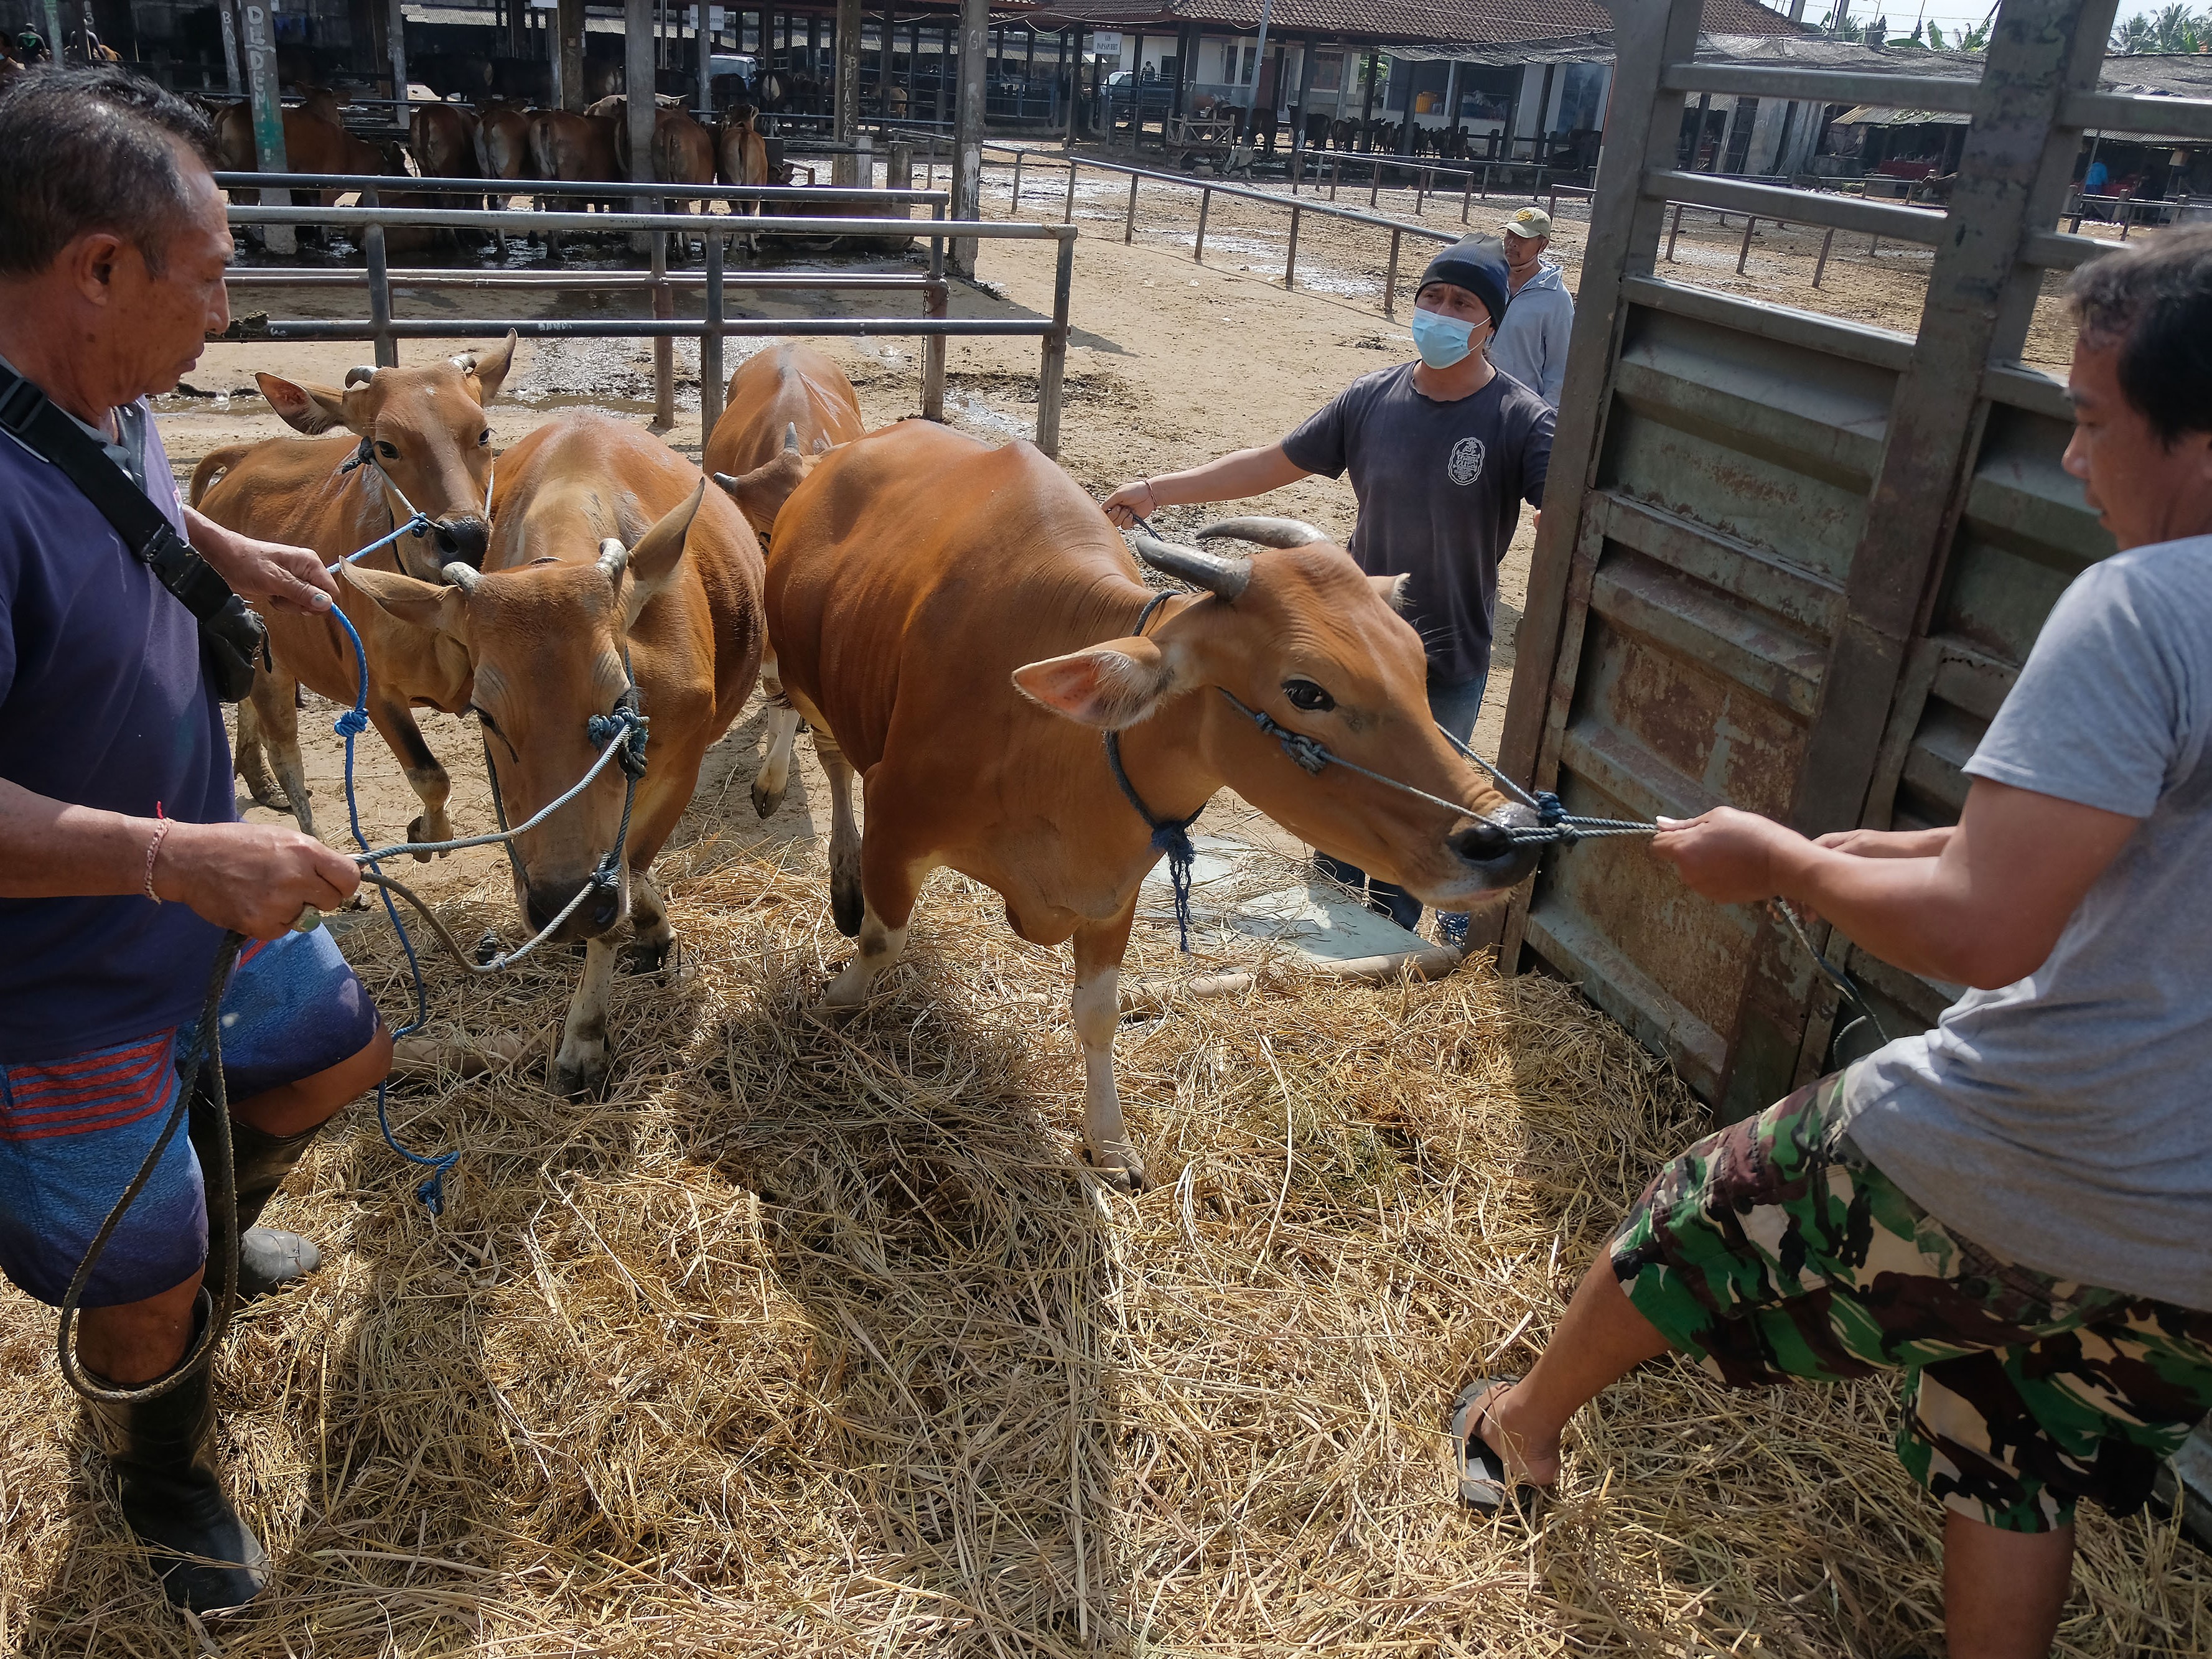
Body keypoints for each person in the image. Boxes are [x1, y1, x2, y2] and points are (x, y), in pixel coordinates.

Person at [1449, 226, 2212, 1659]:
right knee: (2013, 1433)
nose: (2067, 459)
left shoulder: (2144, 605)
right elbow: (2140, 855)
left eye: (2091, 420)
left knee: (1686, 1216)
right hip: (2193, 1240)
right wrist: (1885, 848)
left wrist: (1783, 867)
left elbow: (1989, 928)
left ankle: (1517, 1428)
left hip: (2041, 1145)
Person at [0, 68, 391, 1612]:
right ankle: (157, 1462)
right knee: (140, 1275)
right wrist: (180, 860)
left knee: (340, 1046)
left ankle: (200, 1239)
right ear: (99, 267)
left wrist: (225, 548)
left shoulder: (98, 390)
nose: (227, 314)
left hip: (183, 892)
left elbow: (126, 487)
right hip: (55, 979)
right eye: (213, 275)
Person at [1103, 235, 1553, 944]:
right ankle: (1338, 937)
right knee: (1340, 802)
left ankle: (1396, 944)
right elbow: (1271, 463)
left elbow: (1569, 513)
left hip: (1448, 652)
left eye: (1462, 303)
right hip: (1348, 653)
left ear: (1491, 323)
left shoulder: (1520, 419)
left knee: (1428, 808)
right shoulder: (1372, 398)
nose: (1441, 313)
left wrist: (1559, 522)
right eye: (1431, 297)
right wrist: (1158, 489)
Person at [1488, 205, 1574, 409]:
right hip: (1475, 398)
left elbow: (1560, 370)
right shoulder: (1490, 281)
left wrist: (1543, 415)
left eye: (1523, 238)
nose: (1512, 243)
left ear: (1542, 245)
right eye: (1510, 234)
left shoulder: (1557, 300)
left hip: (1519, 410)